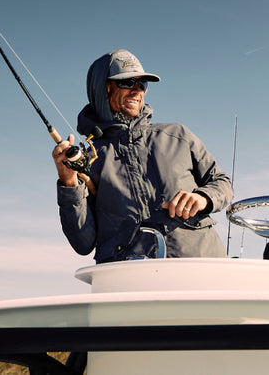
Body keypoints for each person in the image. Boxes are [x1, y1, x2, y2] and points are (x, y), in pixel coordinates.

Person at [53, 49, 233, 262]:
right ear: (104, 88)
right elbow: (83, 242)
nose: (137, 91)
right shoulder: (87, 160)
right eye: (127, 83)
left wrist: (203, 198)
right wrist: (68, 182)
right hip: (131, 277)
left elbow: (222, 184)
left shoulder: (178, 135)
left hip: (201, 265)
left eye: (142, 84)